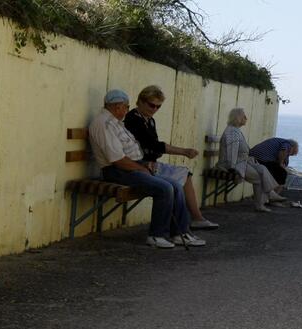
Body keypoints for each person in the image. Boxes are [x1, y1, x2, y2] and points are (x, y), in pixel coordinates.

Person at [89, 89, 205, 248]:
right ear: (117, 107)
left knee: (176, 186)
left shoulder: (114, 122)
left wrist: (143, 165)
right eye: (126, 107)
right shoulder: (104, 124)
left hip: (130, 167)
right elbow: (117, 160)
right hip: (117, 171)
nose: (127, 110)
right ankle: (157, 235)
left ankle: (180, 233)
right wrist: (142, 168)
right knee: (164, 188)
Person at [124, 85, 218, 230]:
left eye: (158, 107)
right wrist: (184, 152)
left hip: (149, 163)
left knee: (184, 175)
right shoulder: (133, 118)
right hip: (139, 166)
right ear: (141, 101)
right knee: (176, 183)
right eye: (151, 105)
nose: (154, 109)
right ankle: (188, 222)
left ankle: (193, 219)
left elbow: (153, 146)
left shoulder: (149, 119)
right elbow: (153, 144)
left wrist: (155, 152)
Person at [217, 108, 288, 212]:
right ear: (238, 118)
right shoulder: (232, 132)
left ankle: (269, 195)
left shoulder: (235, 130)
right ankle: (264, 200)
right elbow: (232, 152)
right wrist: (232, 168)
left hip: (242, 161)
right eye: (244, 116)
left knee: (262, 169)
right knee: (258, 177)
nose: (246, 118)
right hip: (232, 164)